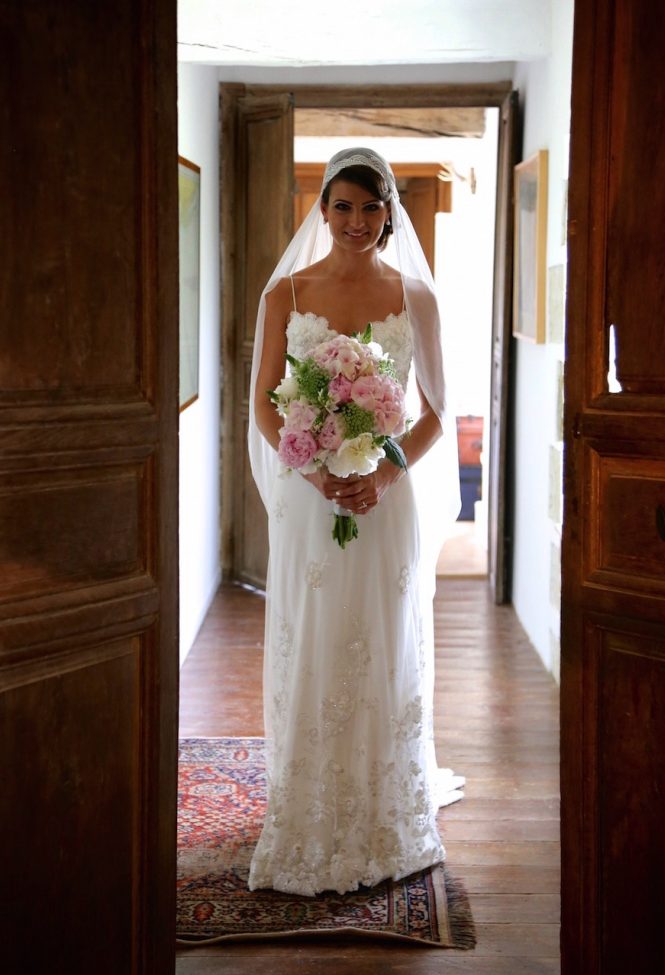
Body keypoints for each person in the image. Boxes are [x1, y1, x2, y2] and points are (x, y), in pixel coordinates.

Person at [247, 147, 463, 897]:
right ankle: (306, 808)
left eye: (371, 208)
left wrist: (381, 471)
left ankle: (384, 811)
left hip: (384, 495)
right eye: (342, 206)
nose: (356, 222)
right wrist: (315, 474)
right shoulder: (288, 292)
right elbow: (263, 406)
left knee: (381, 636)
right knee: (315, 632)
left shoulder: (413, 298)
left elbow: (436, 413)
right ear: (323, 208)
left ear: (390, 212)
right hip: (312, 500)